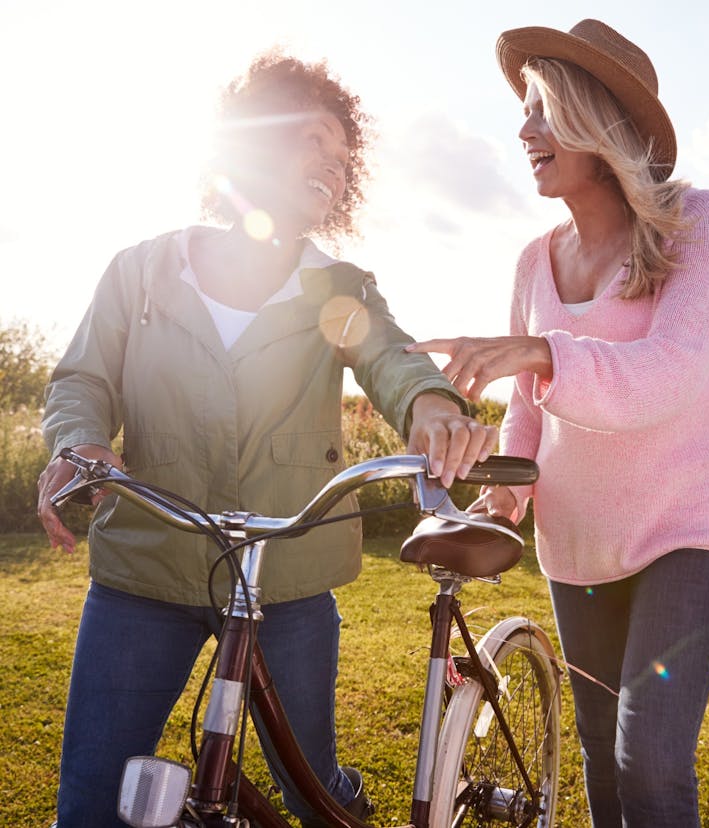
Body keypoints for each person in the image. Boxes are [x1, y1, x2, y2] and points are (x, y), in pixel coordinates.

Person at [37, 48, 497, 828]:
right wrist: (79, 442)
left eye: (344, 156)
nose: (334, 165)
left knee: (307, 790)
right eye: (315, 139)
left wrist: (431, 407)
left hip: (285, 576)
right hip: (147, 565)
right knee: (90, 803)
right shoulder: (142, 272)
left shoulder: (336, 287)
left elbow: (390, 361)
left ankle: (340, 804)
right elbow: (82, 381)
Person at [406, 19, 709, 828]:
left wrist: (539, 348)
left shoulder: (702, 224)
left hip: (689, 531)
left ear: (598, 122)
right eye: (524, 110)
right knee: (600, 747)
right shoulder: (535, 260)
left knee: (651, 759)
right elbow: (527, 404)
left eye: (542, 109)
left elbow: (666, 376)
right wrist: (504, 499)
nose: (523, 129)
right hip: (579, 544)